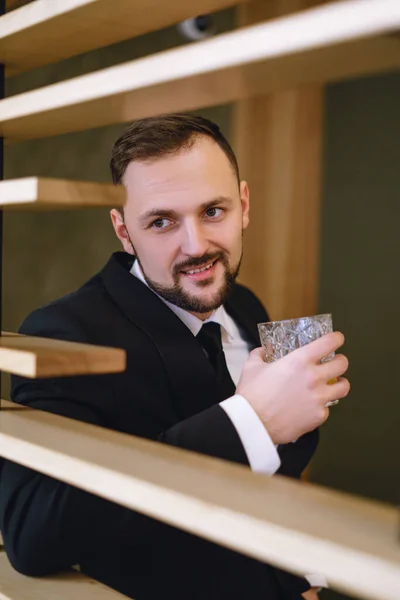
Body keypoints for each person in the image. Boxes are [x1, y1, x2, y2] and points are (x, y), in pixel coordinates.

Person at [0, 114, 350, 600]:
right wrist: (251, 422)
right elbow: (32, 534)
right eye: (161, 222)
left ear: (244, 205)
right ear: (123, 231)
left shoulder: (245, 306)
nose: (197, 246)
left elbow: (264, 482)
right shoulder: (66, 334)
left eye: (213, 211)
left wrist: (303, 578)